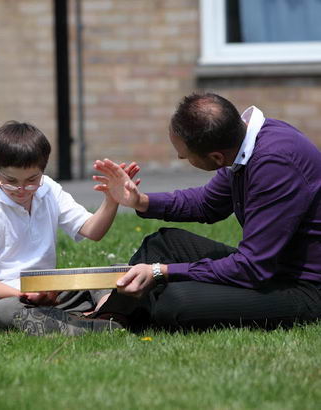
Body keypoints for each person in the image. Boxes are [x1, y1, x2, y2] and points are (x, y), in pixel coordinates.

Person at [92, 92, 321, 331]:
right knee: (161, 244)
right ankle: (111, 317)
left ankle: (126, 313)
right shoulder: (244, 144)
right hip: (271, 269)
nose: (181, 157)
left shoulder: (275, 164)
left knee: (177, 301)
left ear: (216, 157)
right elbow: (207, 204)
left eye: (185, 156)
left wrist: (161, 272)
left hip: (304, 287)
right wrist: (142, 202)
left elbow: (252, 267)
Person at [0, 120, 140, 336]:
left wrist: (112, 199)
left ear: (43, 171)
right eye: (10, 181)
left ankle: (105, 313)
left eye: (31, 180)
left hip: (49, 292)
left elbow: (93, 230)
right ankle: (91, 325)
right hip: (2, 299)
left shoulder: (48, 190)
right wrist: (24, 295)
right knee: (8, 311)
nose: (21, 189)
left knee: (116, 273)